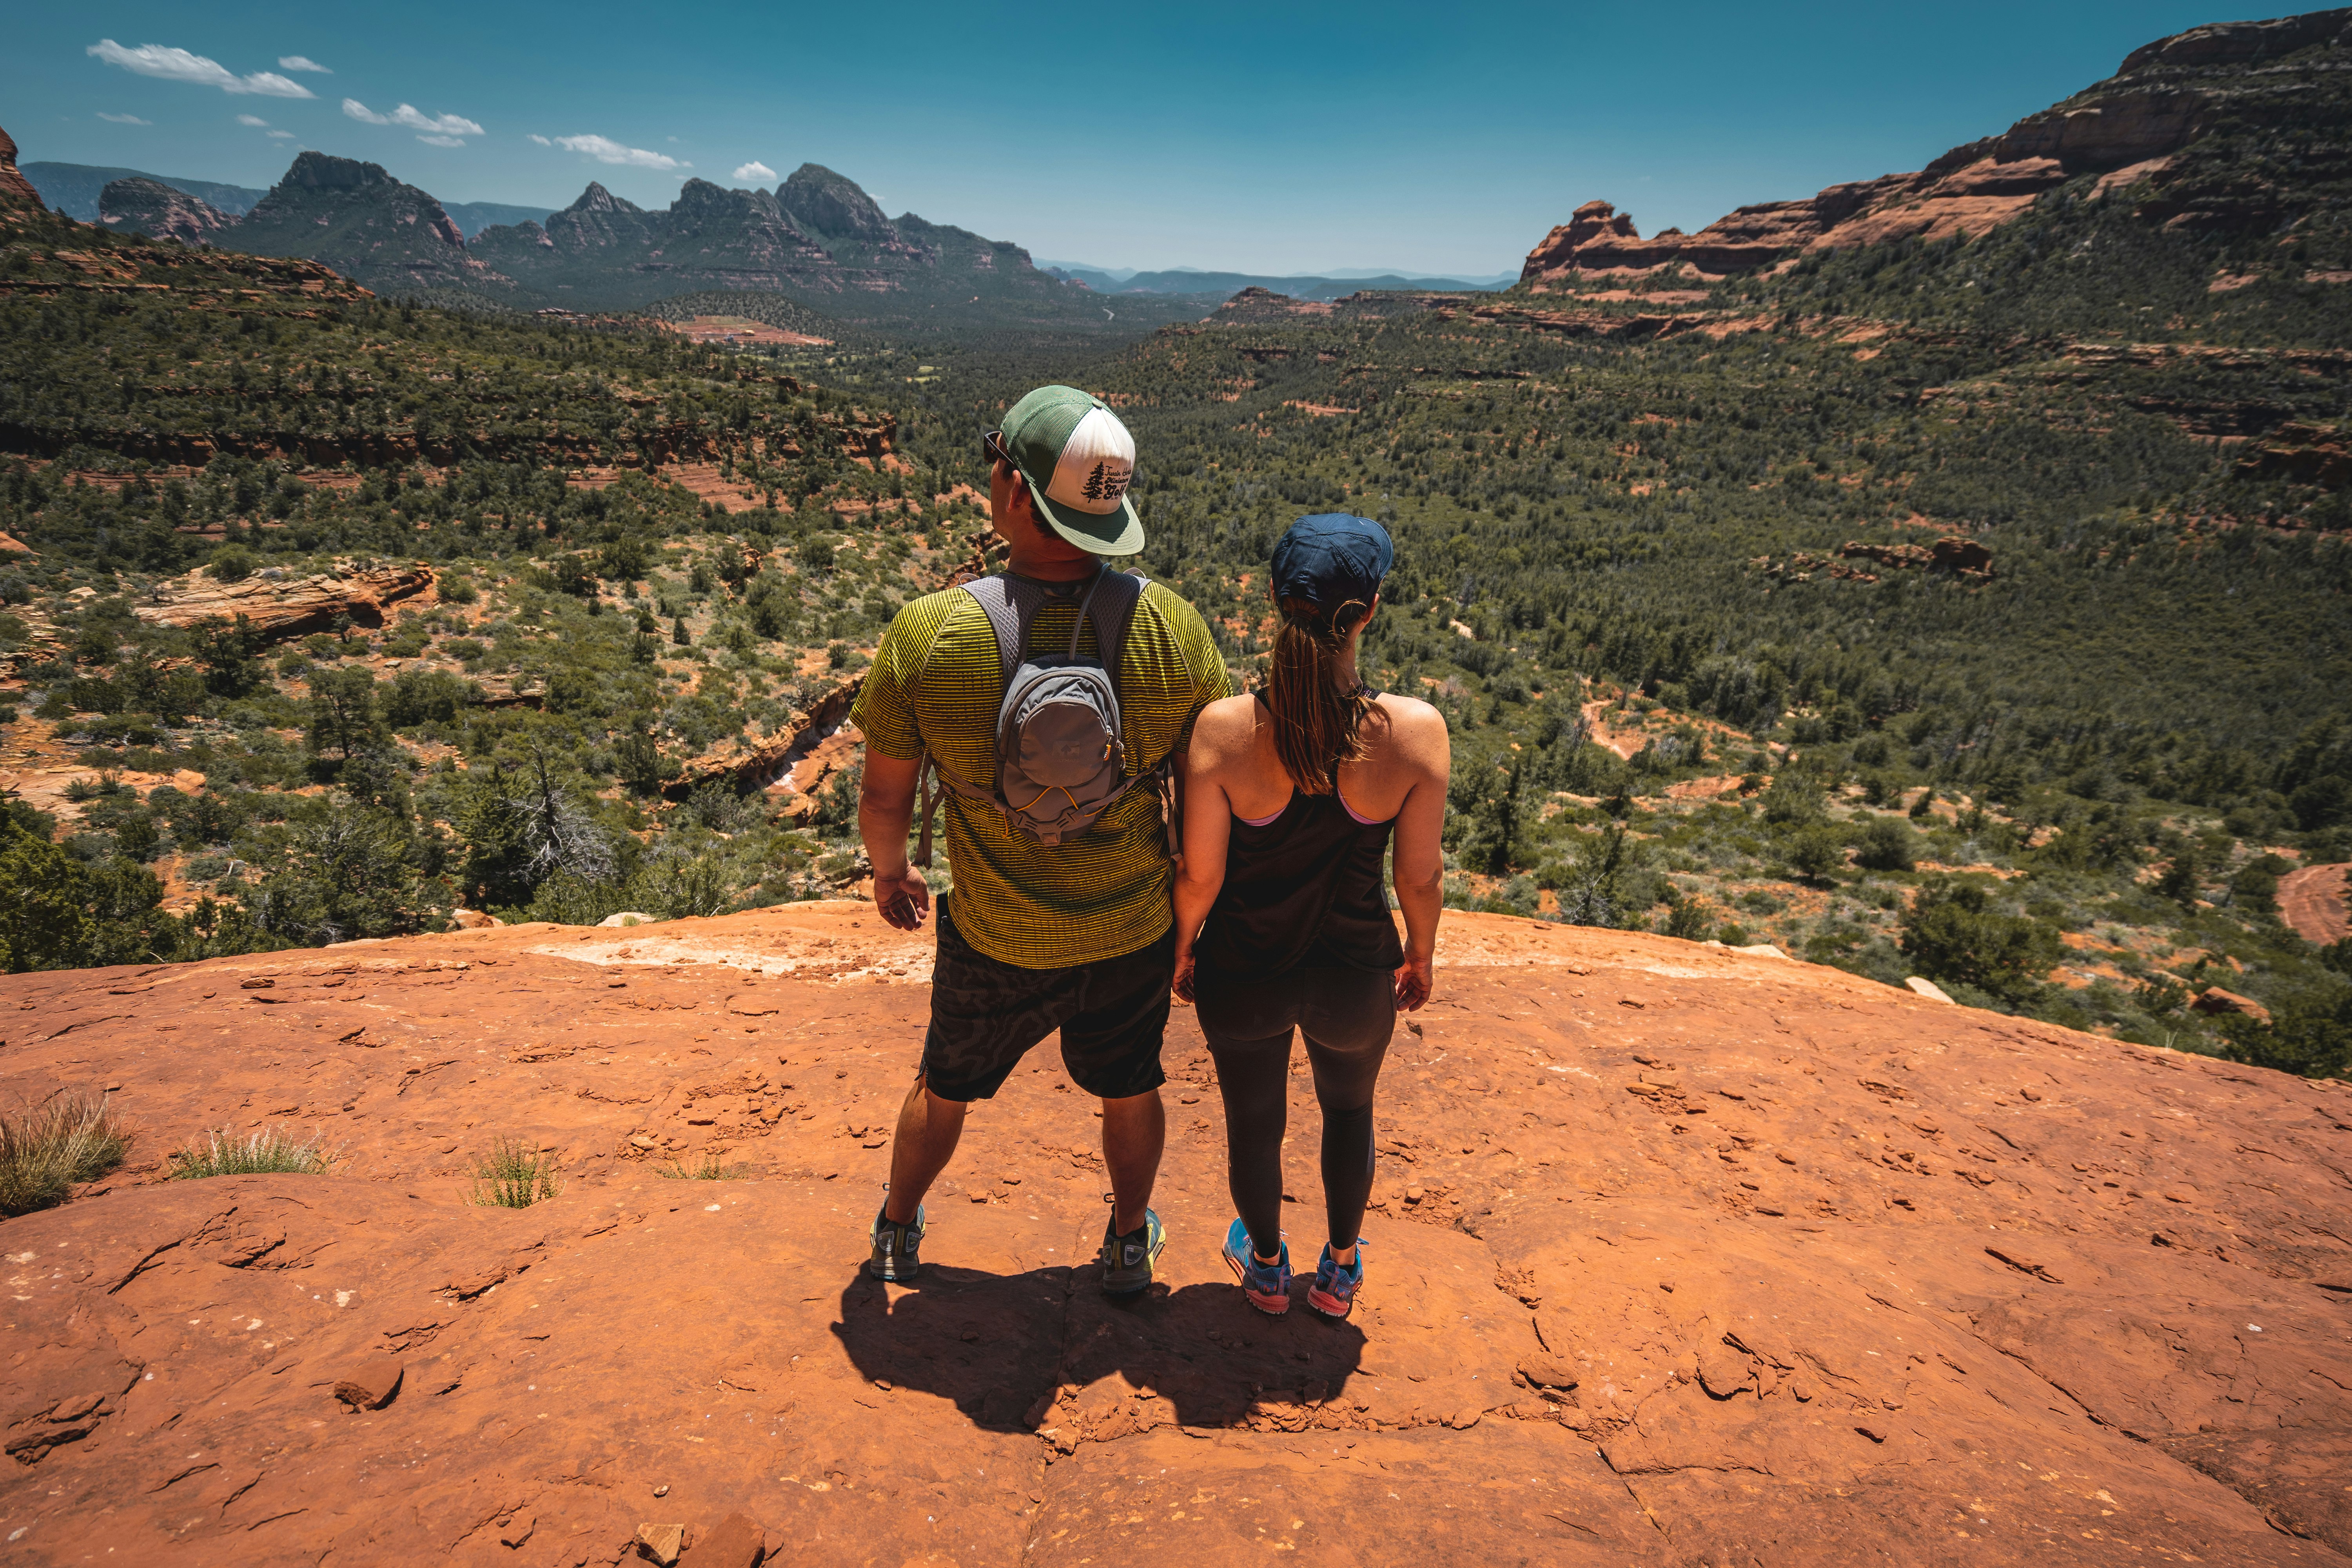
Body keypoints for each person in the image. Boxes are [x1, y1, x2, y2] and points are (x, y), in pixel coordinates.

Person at [849, 384, 1231, 1294]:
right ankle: (1129, 1239)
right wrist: (1192, 926)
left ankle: (899, 1230)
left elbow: (882, 791)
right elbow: (1207, 795)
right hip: (1129, 932)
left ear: (1016, 494)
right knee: (1130, 1085)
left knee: (945, 1085)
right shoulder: (1174, 629)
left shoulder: (930, 631)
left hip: (994, 935)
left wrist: (891, 873)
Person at [1172, 514, 1448, 1320]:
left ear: (1271, 599)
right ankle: (1337, 1271)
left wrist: (1182, 948)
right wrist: (1420, 953)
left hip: (1244, 973)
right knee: (1350, 1111)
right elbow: (1420, 875)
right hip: (1355, 975)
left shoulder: (1224, 731)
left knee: (1254, 1120)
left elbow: (1201, 872)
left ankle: (1264, 1269)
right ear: (1367, 610)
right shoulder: (1413, 734)